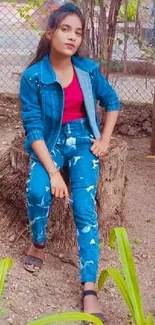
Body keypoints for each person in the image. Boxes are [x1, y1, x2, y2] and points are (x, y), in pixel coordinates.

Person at [20, 2, 120, 321]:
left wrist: (104, 140)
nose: (72, 37)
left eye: (78, 32)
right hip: (49, 141)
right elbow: (33, 126)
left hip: (82, 141)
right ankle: (38, 243)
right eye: (65, 29)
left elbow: (113, 102)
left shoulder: (88, 71)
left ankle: (89, 285)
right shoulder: (33, 77)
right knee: (37, 192)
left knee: (84, 208)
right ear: (50, 33)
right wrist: (52, 172)